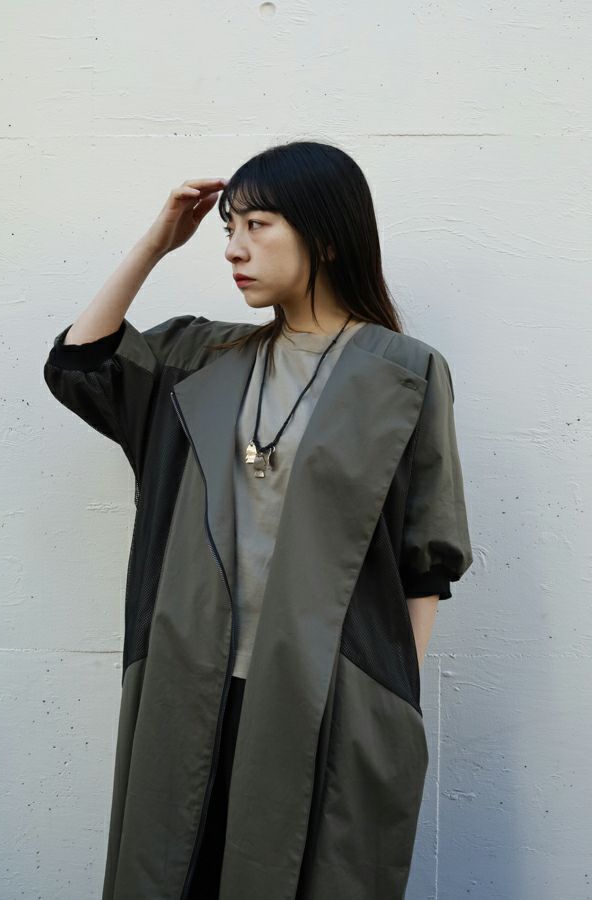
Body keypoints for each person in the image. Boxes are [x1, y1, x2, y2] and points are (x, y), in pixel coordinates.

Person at [43, 140, 473, 900]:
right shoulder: (201, 355)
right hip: (190, 680)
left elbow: (425, 562)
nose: (234, 250)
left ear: (326, 236)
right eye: (228, 229)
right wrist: (157, 242)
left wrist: (388, 706)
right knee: (176, 871)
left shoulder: (405, 372)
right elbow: (80, 365)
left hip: (326, 695)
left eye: (258, 225)